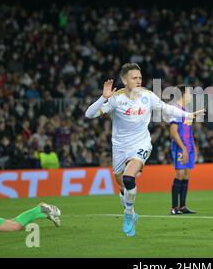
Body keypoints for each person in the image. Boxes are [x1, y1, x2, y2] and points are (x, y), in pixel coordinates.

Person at [85, 63, 205, 236]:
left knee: (128, 178)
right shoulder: (116, 99)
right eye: (134, 78)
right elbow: (89, 114)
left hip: (141, 144)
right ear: (124, 80)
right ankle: (132, 213)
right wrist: (103, 98)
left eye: (140, 77)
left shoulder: (148, 96)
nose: (139, 80)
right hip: (119, 147)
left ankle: (127, 214)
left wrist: (188, 115)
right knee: (122, 187)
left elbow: (166, 108)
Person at [169, 85, 198, 215]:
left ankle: (183, 206)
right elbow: (173, 133)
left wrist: (194, 148)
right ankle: (174, 207)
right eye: (189, 93)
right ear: (183, 94)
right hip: (180, 148)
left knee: (186, 175)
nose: (191, 96)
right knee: (179, 175)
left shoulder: (187, 111)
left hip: (189, 147)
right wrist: (184, 149)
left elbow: (189, 132)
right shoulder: (175, 110)